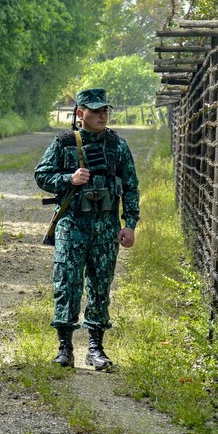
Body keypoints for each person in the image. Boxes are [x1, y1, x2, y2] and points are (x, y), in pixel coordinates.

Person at [33, 88, 140, 370]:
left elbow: (130, 187)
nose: (102, 115)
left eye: (105, 110)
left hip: (106, 225)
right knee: (67, 282)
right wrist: (70, 178)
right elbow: (41, 175)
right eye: (95, 111)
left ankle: (95, 347)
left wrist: (129, 224)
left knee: (100, 284)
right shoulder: (64, 142)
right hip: (72, 223)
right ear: (81, 114)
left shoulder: (117, 145)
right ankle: (65, 346)